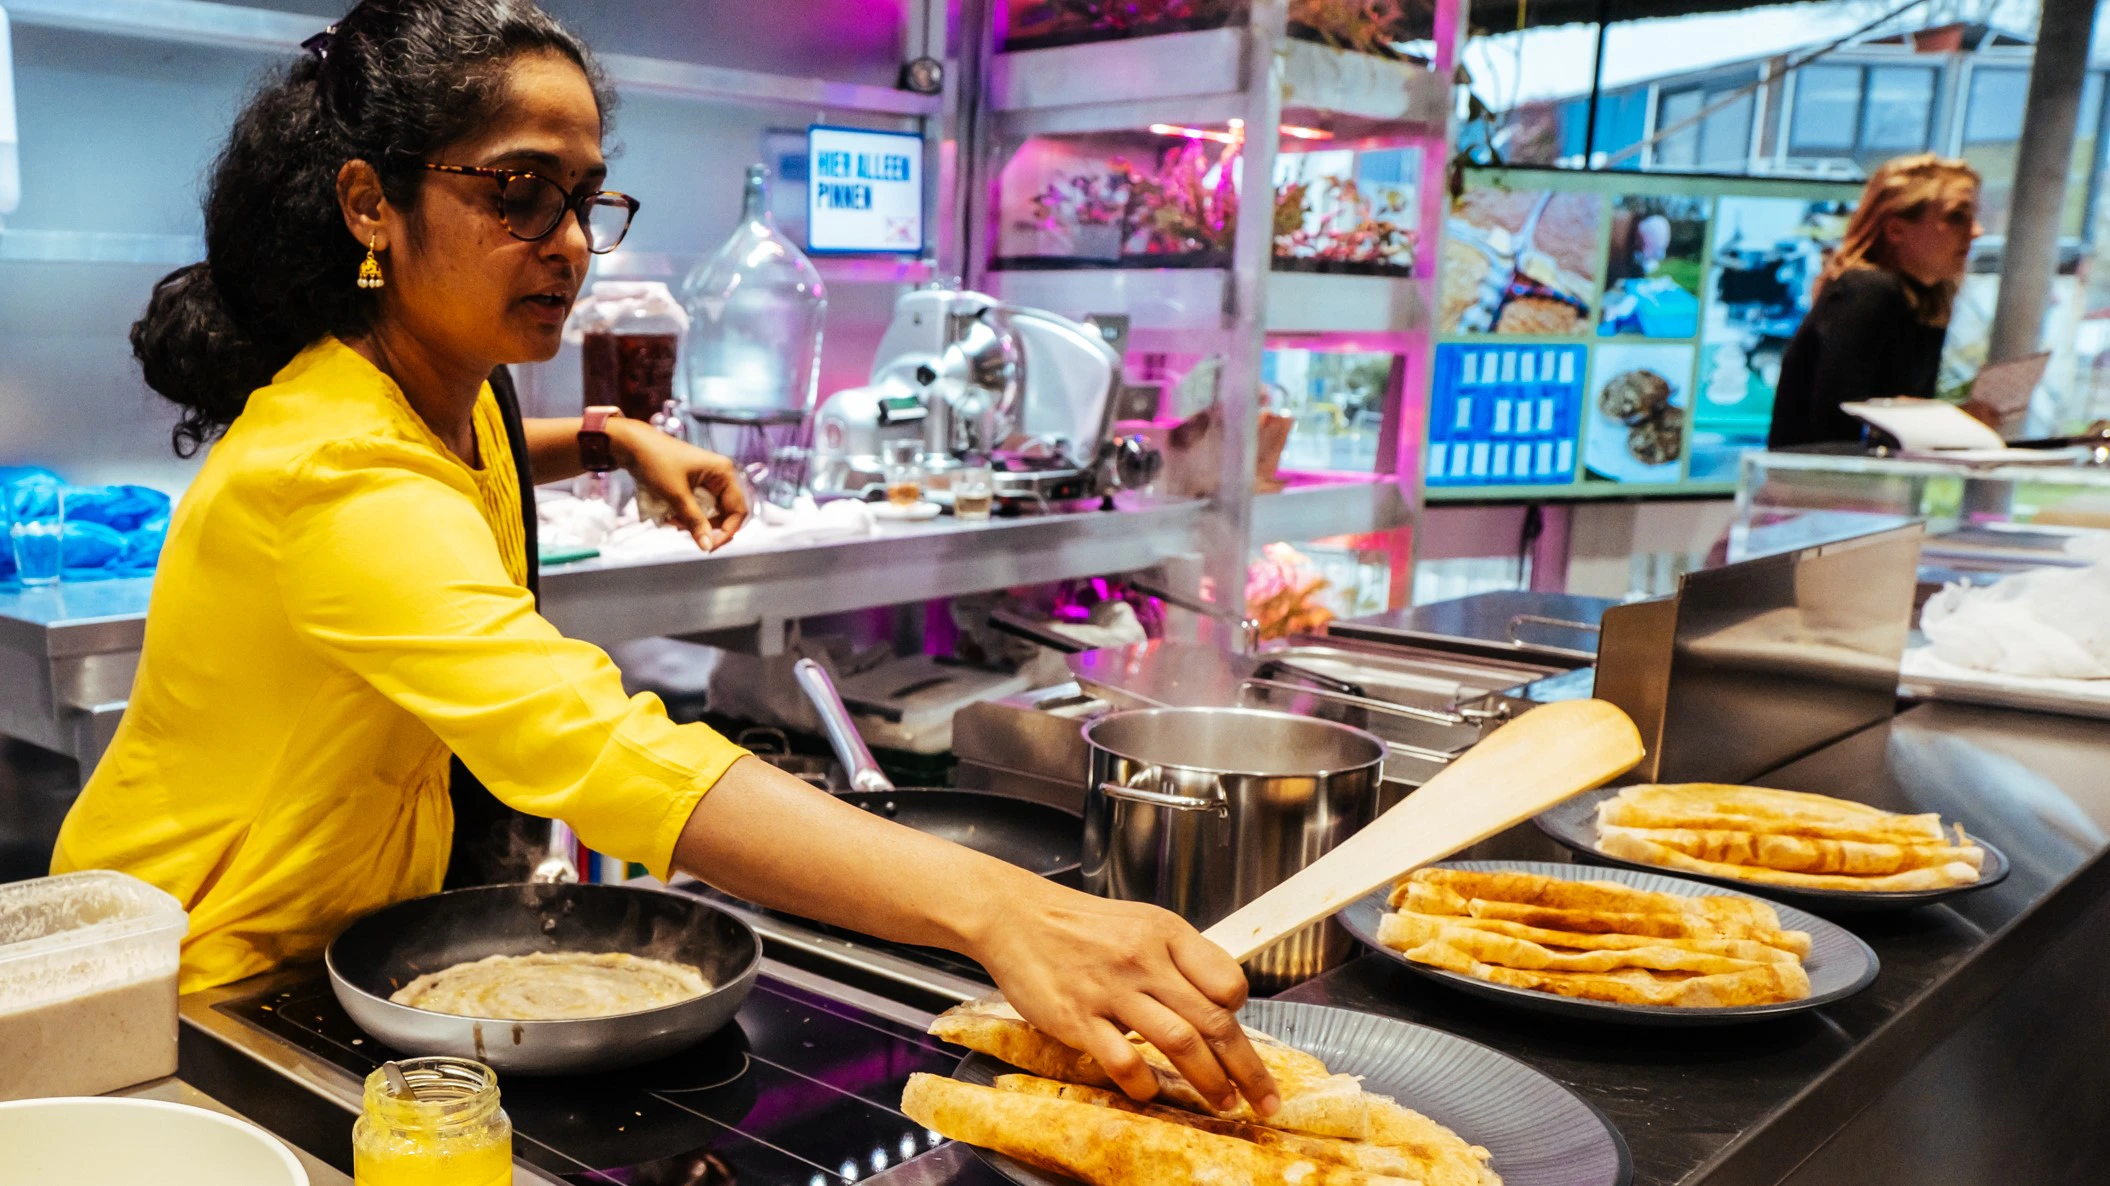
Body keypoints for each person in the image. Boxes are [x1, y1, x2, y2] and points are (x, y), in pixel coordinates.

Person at [51, 0, 1278, 1116]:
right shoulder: (329, 469)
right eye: (518, 192)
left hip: (330, 959)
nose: (571, 242)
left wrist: (606, 436)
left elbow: (465, 456)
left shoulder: (436, 382)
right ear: (373, 204)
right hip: (190, 997)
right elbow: (592, 742)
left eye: (586, 196)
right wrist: (999, 908)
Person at [1768, 154, 1984, 448]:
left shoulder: (1927, 299)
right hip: (1826, 487)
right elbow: (1842, 416)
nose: (1976, 231)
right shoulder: (1868, 288)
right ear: (1895, 229)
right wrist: (1950, 418)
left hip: (1868, 487)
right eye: (1956, 216)